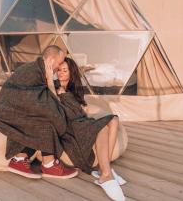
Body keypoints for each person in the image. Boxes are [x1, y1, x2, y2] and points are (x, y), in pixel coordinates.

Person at [0, 45, 78, 179]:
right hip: (5, 112)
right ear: (50, 60)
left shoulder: (38, 69)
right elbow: (45, 104)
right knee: (48, 122)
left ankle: (20, 159)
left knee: (44, 119)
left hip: (10, 108)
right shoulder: (34, 71)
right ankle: (48, 165)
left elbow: (38, 99)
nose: (59, 68)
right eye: (59, 62)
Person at [50, 57, 126, 201]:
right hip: (71, 127)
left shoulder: (74, 88)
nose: (60, 73)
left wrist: (81, 108)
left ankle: (105, 168)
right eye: (59, 70)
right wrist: (61, 95)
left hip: (81, 121)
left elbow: (81, 110)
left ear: (71, 73)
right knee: (102, 129)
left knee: (114, 119)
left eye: (65, 70)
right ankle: (106, 175)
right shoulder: (54, 87)